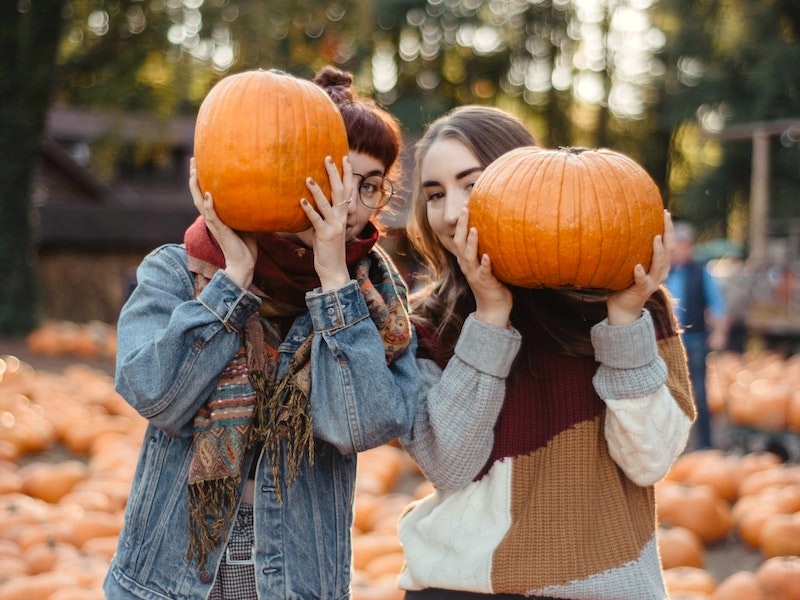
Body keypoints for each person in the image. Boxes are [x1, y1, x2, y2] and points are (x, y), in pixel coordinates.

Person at [103, 67, 419, 600]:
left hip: (291, 578)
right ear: (292, 167)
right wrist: (233, 283)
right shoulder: (178, 273)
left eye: (369, 187)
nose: (350, 206)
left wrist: (334, 285)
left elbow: (358, 426)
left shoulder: (378, 303)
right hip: (169, 574)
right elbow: (157, 396)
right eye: (339, 179)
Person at [396, 105, 696, 600]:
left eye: (471, 186)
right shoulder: (426, 324)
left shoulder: (634, 308)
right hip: (461, 587)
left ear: (526, 182)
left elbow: (649, 461)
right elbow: (450, 464)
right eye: (434, 194)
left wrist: (622, 321)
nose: (450, 213)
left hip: (601, 586)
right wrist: (490, 316)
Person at [665, 221, 728, 450]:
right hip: (667, 344)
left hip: (695, 341)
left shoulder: (701, 272)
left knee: (699, 392)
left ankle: (704, 445)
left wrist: (720, 331)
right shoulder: (663, 272)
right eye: (678, 244)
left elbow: (717, 304)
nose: (682, 248)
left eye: (686, 244)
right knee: (668, 393)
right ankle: (672, 446)